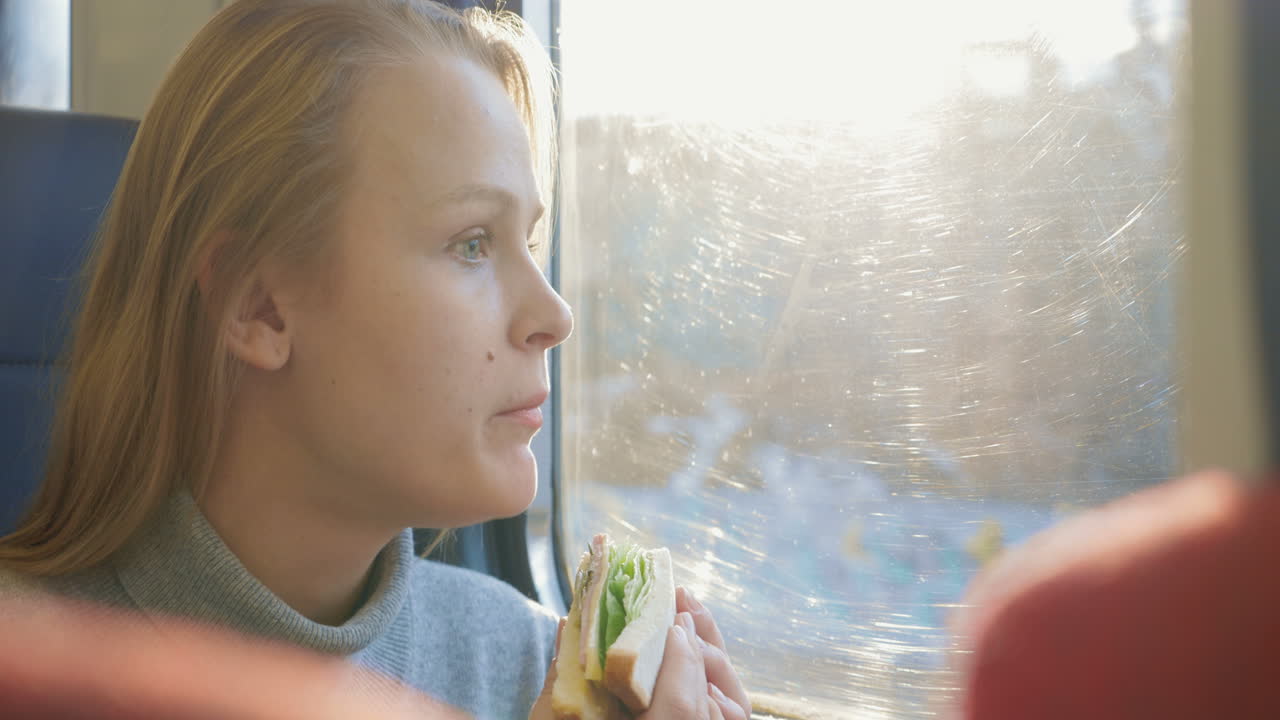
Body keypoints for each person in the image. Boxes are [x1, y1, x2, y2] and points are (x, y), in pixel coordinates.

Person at [0, 1, 750, 718]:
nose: (555, 315)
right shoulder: (26, 671)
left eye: (531, 240)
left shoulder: (527, 659)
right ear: (258, 307)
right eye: (473, 244)